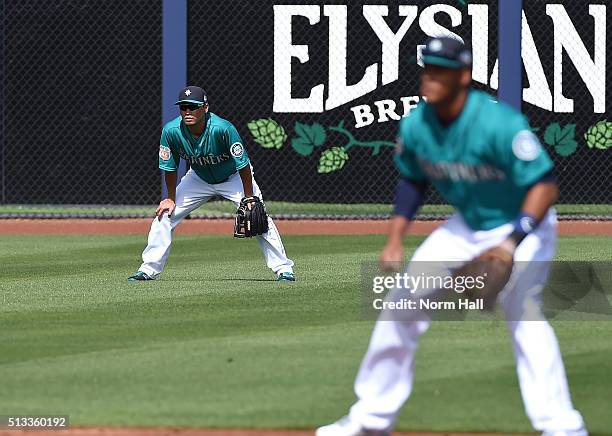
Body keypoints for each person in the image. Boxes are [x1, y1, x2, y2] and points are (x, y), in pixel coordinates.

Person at [316, 37, 586, 436]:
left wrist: (511, 241)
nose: (430, 76)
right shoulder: (416, 124)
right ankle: (371, 420)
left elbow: (544, 186)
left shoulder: (499, 123)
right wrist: (394, 238)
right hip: (467, 224)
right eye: (428, 67)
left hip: (524, 222)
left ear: (464, 76)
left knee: (522, 310)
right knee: (401, 304)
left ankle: (562, 426)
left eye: (441, 69)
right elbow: (412, 180)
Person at [128, 86, 295, 282]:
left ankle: (284, 269)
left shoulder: (222, 128)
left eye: (193, 107)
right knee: (165, 215)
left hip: (234, 178)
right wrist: (170, 198)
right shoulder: (171, 131)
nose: (188, 111)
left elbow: (242, 164)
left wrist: (249, 197)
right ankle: (147, 270)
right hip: (198, 178)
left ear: (205, 107)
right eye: (183, 107)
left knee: (258, 215)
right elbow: (169, 167)